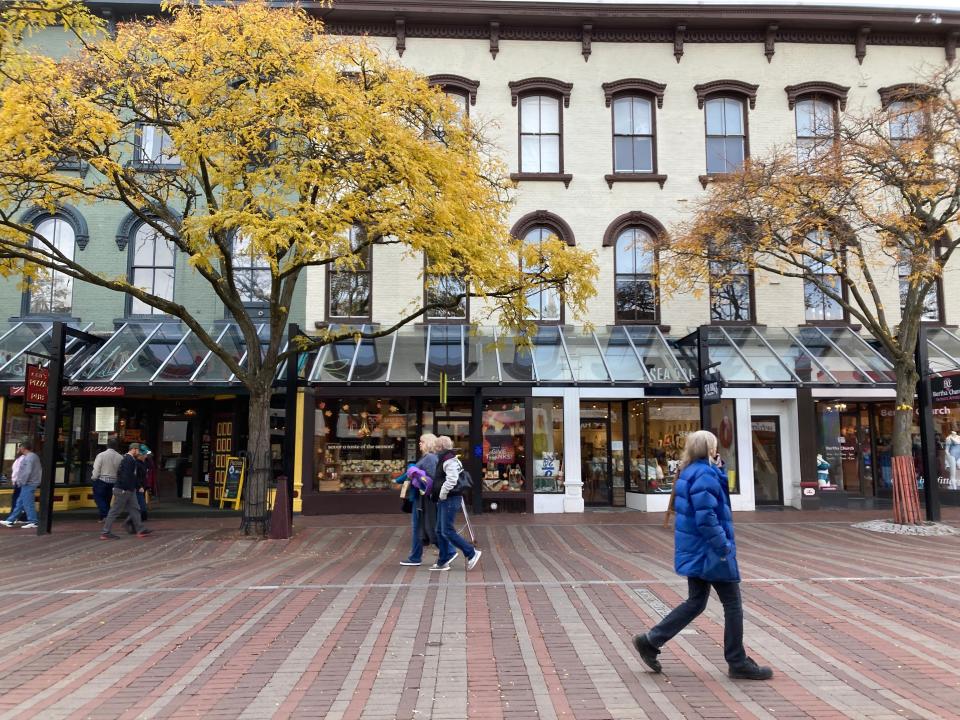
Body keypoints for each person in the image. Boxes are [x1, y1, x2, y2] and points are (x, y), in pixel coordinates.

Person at [632, 430, 773, 681]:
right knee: (732, 604)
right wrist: (723, 546)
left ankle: (651, 640)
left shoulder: (691, 471)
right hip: (710, 550)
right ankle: (737, 660)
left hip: (697, 548)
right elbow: (706, 515)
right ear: (709, 448)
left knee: (696, 601)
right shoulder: (705, 474)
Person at [431, 435, 481, 572]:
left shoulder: (449, 460)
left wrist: (442, 494)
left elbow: (452, 480)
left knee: (446, 530)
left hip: (449, 498)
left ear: (440, 447)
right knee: (440, 530)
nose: (434, 449)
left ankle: (471, 552)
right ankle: (443, 560)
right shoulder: (448, 458)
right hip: (447, 498)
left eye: (436, 447)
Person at [398, 433, 439, 567]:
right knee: (420, 527)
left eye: (421, 441)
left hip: (423, 499)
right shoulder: (427, 458)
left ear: (428, 443)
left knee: (422, 527)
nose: (419, 444)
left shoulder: (430, 458)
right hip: (419, 498)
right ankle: (416, 556)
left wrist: (416, 477)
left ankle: (451, 551)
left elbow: (430, 480)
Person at [100, 442, 151, 540]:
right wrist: (127, 488)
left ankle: (140, 529)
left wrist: (136, 486)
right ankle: (105, 532)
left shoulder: (130, 459)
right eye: (138, 451)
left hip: (128, 489)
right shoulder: (128, 460)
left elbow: (131, 476)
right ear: (134, 449)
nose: (139, 453)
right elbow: (127, 476)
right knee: (115, 511)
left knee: (135, 509)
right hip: (124, 490)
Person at [1, 442, 41, 529]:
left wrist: (21, 481)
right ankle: (10, 520)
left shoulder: (29, 458)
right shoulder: (33, 456)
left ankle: (33, 521)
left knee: (27, 503)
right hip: (29, 483)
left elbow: (27, 471)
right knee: (20, 502)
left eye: (20, 448)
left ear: (23, 448)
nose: (19, 450)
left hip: (28, 483)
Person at [91, 438, 123, 522]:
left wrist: (94, 478)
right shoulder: (120, 457)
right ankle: (104, 516)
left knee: (99, 498)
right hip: (114, 481)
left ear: (107, 446)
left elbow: (96, 469)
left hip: (102, 480)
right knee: (107, 499)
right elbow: (121, 471)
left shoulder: (101, 455)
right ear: (116, 446)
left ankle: (106, 515)